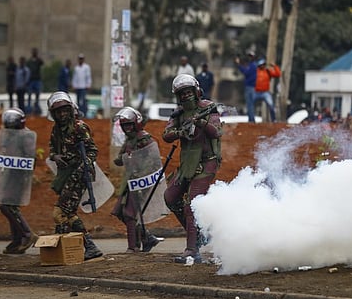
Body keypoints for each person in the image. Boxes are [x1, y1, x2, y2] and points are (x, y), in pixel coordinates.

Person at [162, 74, 222, 263]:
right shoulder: (178, 114)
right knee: (170, 197)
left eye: (189, 92)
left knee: (192, 206)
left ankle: (192, 250)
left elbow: (216, 131)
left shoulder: (208, 108)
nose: (187, 96)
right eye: (183, 93)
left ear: (196, 92)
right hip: (187, 163)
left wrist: (200, 122)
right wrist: (181, 131)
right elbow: (166, 134)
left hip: (206, 162)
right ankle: (199, 234)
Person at [47, 91, 102, 261]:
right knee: (68, 213)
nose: (62, 114)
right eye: (58, 112)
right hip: (64, 175)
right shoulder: (56, 130)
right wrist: (56, 157)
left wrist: (84, 164)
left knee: (60, 212)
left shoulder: (79, 127)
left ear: (70, 110)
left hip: (79, 175)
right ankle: (84, 247)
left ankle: (77, 246)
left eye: (65, 110)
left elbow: (93, 150)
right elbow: (52, 150)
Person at [110, 107, 162, 253]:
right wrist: (120, 159)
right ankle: (147, 238)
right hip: (129, 181)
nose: (127, 128)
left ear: (136, 123)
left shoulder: (145, 138)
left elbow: (154, 161)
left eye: (129, 125)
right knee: (120, 211)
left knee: (130, 213)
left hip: (142, 182)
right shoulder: (129, 140)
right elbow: (122, 158)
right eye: (124, 125)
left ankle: (132, 247)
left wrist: (141, 172)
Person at [0, 108, 38, 254]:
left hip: (19, 177)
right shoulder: (10, 136)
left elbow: (31, 158)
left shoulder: (25, 136)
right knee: (8, 205)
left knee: (7, 206)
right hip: (10, 175)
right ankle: (17, 240)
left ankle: (27, 234)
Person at [234, 51, 257, 122]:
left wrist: (239, 64)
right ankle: (251, 119)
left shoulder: (253, 65)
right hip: (251, 87)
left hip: (250, 87)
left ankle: (252, 120)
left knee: (250, 104)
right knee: (250, 104)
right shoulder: (252, 65)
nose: (249, 58)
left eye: (251, 56)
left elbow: (246, 72)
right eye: (249, 56)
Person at [26, 47, 44, 115]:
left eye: (35, 52)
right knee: (29, 94)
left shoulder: (38, 61)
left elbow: (42, 63)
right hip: (31, 80)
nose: (34, 53)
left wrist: (38, 57)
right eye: (34, 52)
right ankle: (29, 108)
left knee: (37, 94)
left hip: (37, 80)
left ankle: (36, 108)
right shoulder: (29, 61)